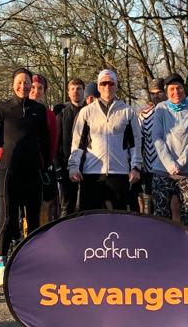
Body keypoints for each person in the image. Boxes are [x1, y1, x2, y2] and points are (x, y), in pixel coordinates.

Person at [0, 68, 50, 285]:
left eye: (27, 83)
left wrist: (48, 169)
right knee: (7, 219)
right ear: (13, 84)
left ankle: (30, 262)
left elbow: (44, 142)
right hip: (9, 172)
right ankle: (2, 264)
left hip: (32, 171)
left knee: (33, 220)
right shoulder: (2, 110)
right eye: (19, 82)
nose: (23, 86)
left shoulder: (39, 110)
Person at [67, 69, 141, 211]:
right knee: (90, 220)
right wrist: (74, 167)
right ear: (99, 87)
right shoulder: (86, 112)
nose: (107, 87)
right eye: (103, 83)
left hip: (119, 173)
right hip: (91, 174)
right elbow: (77, 143)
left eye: (111, 83)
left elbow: (135, 143)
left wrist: (136, 167)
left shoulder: (128, 111)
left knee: (118, 220)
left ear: (116, 86)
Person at [147, 74, 188, 230]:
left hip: (187, 172)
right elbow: (157, 137)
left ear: (184, 89)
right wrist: (170, 164)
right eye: (172, 89)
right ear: (166, 91)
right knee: (161, 216)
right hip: (162, 171)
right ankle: (163, 250)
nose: (176, 92)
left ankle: (187, 251)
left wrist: (181, 162)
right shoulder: (161, 108)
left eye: (179, 88)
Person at [30, 73, 62, 222]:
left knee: (43, 204)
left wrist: (48, 164)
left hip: (41, 165)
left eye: (40, 88)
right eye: (33, 87)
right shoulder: (14, 110)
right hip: (18, 166)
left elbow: (53, 142)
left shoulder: (48, 114)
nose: (36, 91)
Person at [54, 77, 87, 215]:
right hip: (67, 167)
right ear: (68, 92)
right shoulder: (62, 114)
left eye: (79, 89)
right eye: (72, 89)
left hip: (88, 166)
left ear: (84, 91)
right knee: (67, 207)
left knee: (87, 206)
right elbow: (56, 143)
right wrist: (58, 168)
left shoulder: (91, 112)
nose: (75, 92)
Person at [136, 81, 163, 213]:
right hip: (149, 167)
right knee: (149, 205)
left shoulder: (173, 112)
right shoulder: (144, 115)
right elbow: (138, 140)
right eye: (153, 93)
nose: (156, 96)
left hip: (170, 169)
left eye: (159, 93)